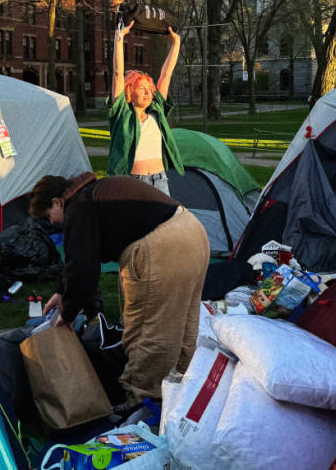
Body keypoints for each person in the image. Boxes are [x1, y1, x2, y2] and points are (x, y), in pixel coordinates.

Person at [30, 172, 210, 410]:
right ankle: (184, 397)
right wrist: (61, 292)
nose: (52, 222)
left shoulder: (79, 206)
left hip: (162, 245)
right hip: (193, 231)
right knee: (184, 326)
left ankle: (142, 405)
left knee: (147, 332)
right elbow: (78, 258)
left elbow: (84, 267)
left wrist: (68, 314)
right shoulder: (97, 191)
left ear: (56, 202)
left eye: (48, 216)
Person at [108, 20, 183, 195]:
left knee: (164, 222)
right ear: (129, 92)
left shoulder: (157, 113)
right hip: (133, 182)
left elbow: (166, 74)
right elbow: (118, 73)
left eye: (149, 89)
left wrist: (175, 43)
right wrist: (119, 39)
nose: (148, 93)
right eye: (142, 88)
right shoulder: (122, 115)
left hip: (160, 180)